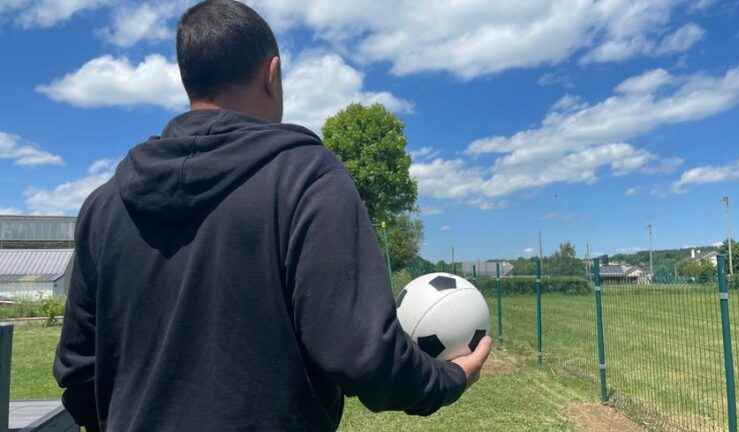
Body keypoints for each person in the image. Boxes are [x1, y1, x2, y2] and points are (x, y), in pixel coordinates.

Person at [53, 1, 492, 431]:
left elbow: (78, 373)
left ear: (189, 82)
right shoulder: (307, 180)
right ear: (272, 73)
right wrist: (448, 378)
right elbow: (363, 356)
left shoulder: (103, 206)